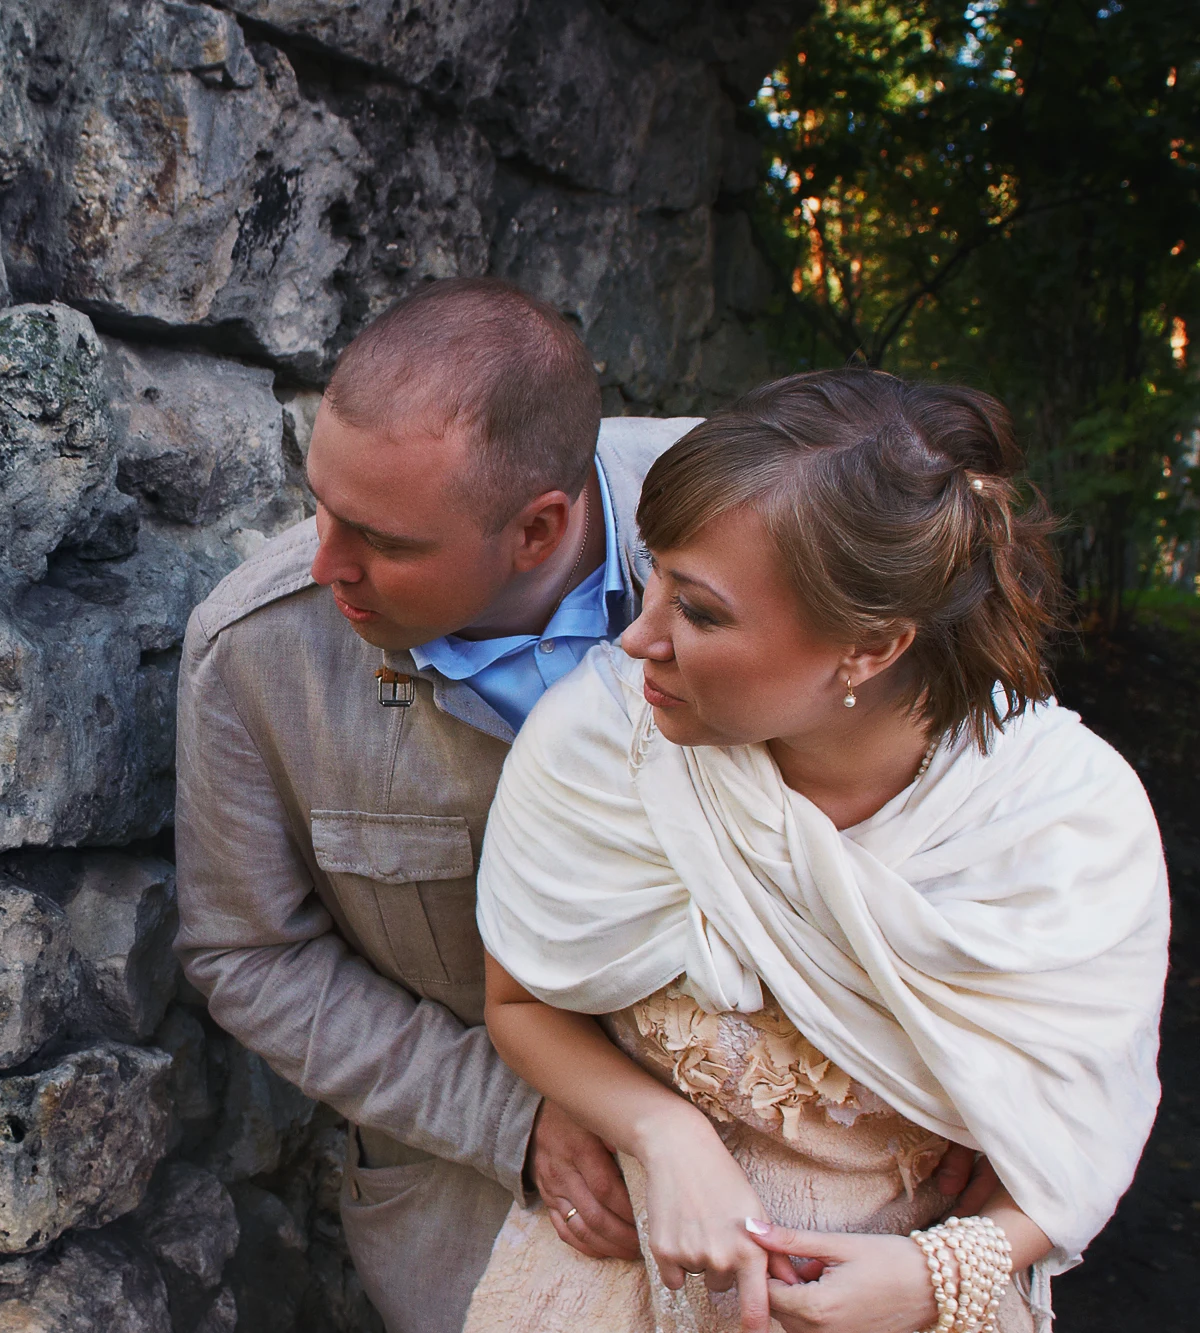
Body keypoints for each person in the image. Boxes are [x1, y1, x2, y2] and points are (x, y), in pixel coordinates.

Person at [172, 282, 980, 1333]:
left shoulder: (785, 510)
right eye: (317, 501)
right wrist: (514, 1116)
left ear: (538, 526)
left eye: (381, 539)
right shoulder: (251, 651)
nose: (322, 561)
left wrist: (974, 1084)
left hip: (856, 1203)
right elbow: (248, 955)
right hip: (490, 1215)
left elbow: (966, 773)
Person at [465, 369, 1169, 1333]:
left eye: (700, 611)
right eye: (653, 572)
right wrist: (662, 1131)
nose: (637, 637)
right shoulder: (596, 742)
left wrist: (942, 1274)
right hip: (615, 1283)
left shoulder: (1064, 824)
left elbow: (1082, 1139)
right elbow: (515, 1002)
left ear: (870, 648)